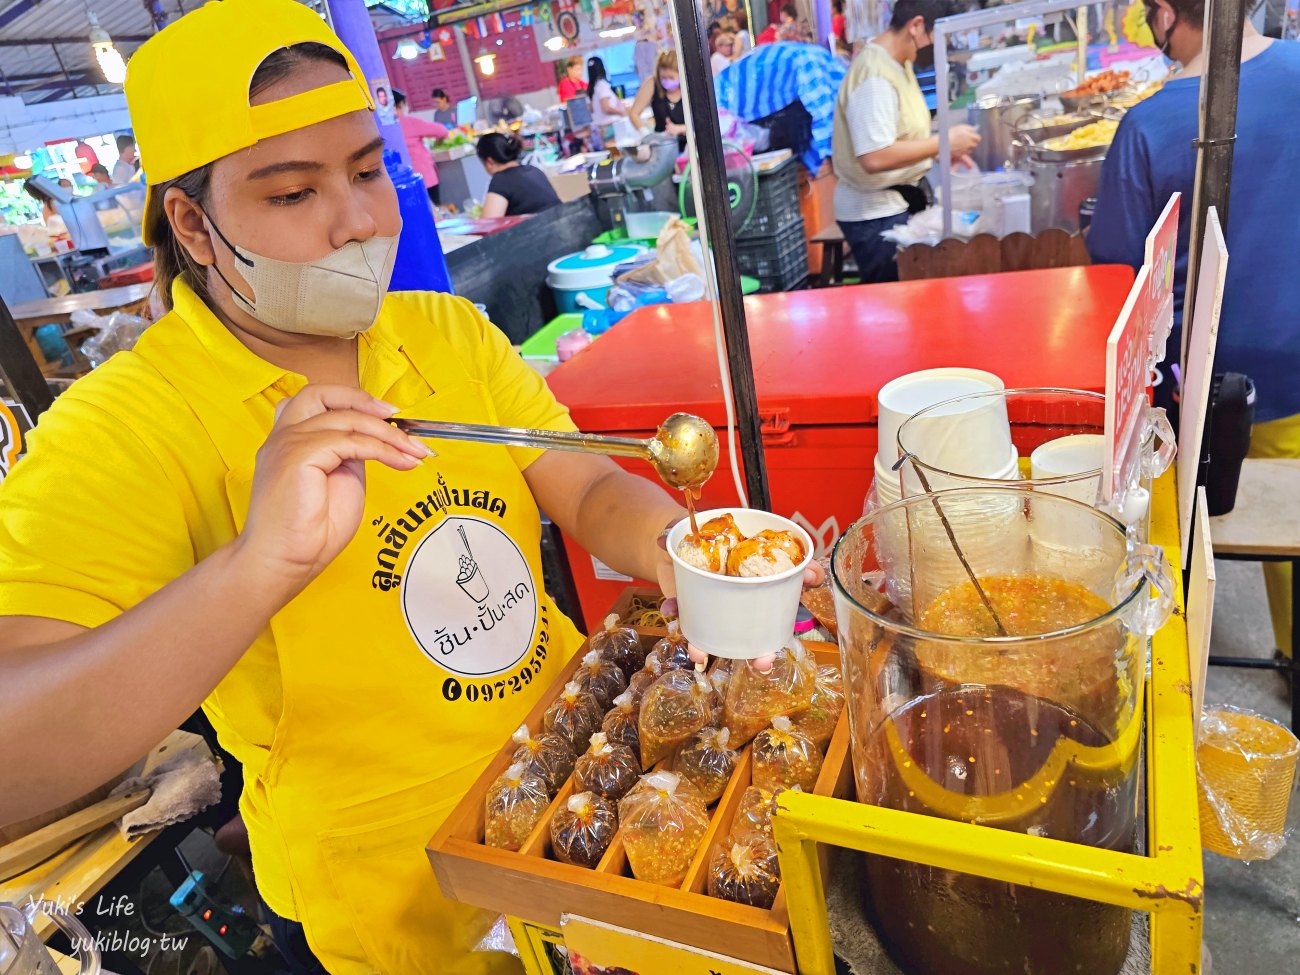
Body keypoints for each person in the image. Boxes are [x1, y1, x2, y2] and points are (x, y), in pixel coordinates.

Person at [0, 3, 823, 974]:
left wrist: (681, 554)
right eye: (294, 193)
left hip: (579, 799)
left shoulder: (445, 333)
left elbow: (589, 487)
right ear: (193, 223)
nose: (359, 219)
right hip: (388, 909)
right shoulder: (126, 425)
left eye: (362, 168)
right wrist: (260, 565)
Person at [1089, 0, 1300, 662]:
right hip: (1290, 353)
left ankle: (1179, 664)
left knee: (1185, 537)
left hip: (1204, 383)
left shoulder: (1150, 123)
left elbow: (1116, 273)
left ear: (1164, 13)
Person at [831, 0, 980, 283]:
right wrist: (941, 143)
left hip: (897, 204)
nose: (934, 50)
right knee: (896, 310)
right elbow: (874, 155)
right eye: (935, 39)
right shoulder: (874, 76)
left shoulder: (900, 63)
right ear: (916, 26)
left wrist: (940, 151)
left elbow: (897, 133)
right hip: (873, 217)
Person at [477, 133, 561, 218]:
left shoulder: (501, 180)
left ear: (489, 162)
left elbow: (489, 224)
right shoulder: (533, 170)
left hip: (541, 229)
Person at [393, 88, 449, 206]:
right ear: (400, 105)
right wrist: (439, 142)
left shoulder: (384, 128)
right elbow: (442, 131)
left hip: (400, 182)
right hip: (425, 178)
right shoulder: (409, 122)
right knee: (435, 211)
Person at [631, 49, 687, 151]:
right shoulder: (652, 84)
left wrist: (680, 129)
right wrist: (647, 134)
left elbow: (701, 124)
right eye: (663, 77)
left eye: (671, 77)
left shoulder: (689, 88)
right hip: (662, 148)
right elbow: (634, 113)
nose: (667, 81)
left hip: (688, 149)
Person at [587, 56, 628, 140]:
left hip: (601, 128)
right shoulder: (602, 85)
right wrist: (622, 112)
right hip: (611, 127)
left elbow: (591, 109)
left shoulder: (591, 89)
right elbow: (606, 108)